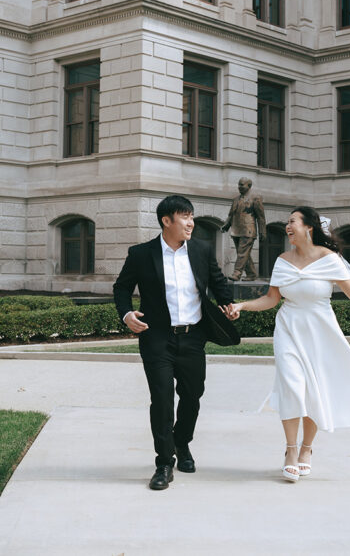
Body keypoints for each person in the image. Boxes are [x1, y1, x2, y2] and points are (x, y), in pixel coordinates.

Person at [226, 206, 350, 483]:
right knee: (292, 385)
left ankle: (307, 449)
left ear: (309, 227)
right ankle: (291, 451)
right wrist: (242, 305)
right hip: (289, 328)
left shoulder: (329, 259)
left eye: (292, 222)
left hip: (321, 330)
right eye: (288, 223)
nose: (288, 227)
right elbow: (271, 299)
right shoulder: (282, 260)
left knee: (314, 391)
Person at [113, 195, 235, 491]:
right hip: (157, 338)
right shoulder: (142, 253)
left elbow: (218, 282)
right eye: (185, 217)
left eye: (192, 216)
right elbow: (121, 287)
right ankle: (164, 462)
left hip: (194, 336)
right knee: (163, 399)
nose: (191, 223)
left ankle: (182, 443)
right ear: (167, 221)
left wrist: (228, 303)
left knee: (193, 395)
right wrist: (127, 313)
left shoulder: (202, 250)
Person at [220, 177, 266, 280]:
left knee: (242, 253)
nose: (239, 187)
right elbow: (231, 215)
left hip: (249, 230)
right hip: (236, 230)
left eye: (242, 185)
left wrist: (263, 231)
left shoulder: (255, 198)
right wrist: (226, 226)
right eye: (238, 185)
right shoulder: (236, 199)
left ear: (249, 186)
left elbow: (261, 217)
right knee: (245, 254)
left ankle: (237, 273)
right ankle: (252, 274)